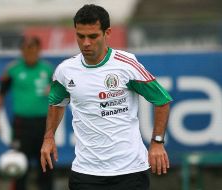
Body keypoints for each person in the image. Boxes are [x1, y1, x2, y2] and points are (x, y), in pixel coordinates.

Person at [41, 4, 173, 190]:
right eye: (80, 36)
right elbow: (56, 103)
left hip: (130, 171)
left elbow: (162, 100)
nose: (86, 43)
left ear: (107, 33)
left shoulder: (126, 65)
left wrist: (157, 142)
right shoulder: (65, 71)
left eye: (93, 36)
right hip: (86, 172)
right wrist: (48, 138)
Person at [0, 36, 54, 190]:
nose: (29, 52)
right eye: (26, 49)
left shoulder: (48, 69)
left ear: (39, 50)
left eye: (32, 49)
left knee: (45, 165)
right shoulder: (12, 70)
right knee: (18, 165)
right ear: (21, 51)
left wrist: (52, 91)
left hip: (43, 124)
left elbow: (58, 96)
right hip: (21, 125)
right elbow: (0, 95)